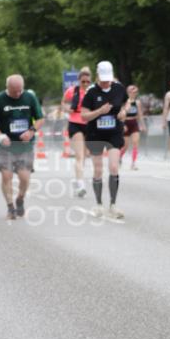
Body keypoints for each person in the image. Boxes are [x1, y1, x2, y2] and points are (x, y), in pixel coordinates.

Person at [0, 75, 43, 220]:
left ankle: (20, 199)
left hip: (24, 146)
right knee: (6, 175)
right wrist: (0, 136)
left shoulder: (29, 97)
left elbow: (40, 119)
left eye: (19, 91)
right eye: (14, 91)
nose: (17, 94)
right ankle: (10, 207)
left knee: (24, 177)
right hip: (6, 146)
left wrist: (31, 131)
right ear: (8, 88)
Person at [80, 61, 127, 220]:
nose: (106, 82)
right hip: (95, 134)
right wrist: (99, 111)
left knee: (114, 167)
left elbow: (125, 103)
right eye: (103, 79)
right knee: (98, 170)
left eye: (108, 79)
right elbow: (84, 116)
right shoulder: (91, 92)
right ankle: (99, 204)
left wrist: (123, 112)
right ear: (98, 75)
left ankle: (113, 205)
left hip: (114, 132)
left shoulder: (119, 88)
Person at [61, 67, 92, 197]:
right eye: (83, 81)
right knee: (79, 156)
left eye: (87, 82)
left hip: (89, 124)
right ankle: (80, 185)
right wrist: (68, 110)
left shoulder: (93, 92)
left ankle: (77, 180)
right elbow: (63, 103)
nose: (85, 84)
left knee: (85, 156)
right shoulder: (72, 90)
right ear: (79, 80)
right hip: (75, 124)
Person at [122, 84, 146, 169]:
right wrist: (122, 124)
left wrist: (143, 125)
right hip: (126, 122)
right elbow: (122, 115)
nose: (134, 94)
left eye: (135, 92)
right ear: (128, 92)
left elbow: (140, 114)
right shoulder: (125, 102)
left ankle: (133, 163)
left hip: (134, 123)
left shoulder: (137, 102)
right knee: (125, 145)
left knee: (135, 143)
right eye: (132, 92)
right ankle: (119, 157)